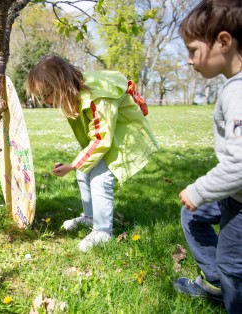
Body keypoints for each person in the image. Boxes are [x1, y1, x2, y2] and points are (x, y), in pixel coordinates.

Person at [26, 55, 159, 252]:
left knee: (100, 178)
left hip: (123, 136)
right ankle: (90, 217)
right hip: (107, 136)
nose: (45, 101)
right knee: (84, 172)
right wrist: (78, 165)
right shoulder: (76, 90)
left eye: (47, 95)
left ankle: (103, 231)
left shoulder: (98, 97)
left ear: (61, 85)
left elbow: (101, 138)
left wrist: (73, 164)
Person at [173, 1, 242, 313]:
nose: (189, 61)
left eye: (192, 50)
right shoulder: (233, 87)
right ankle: (214, 282)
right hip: (233, 194)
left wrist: (199, 190)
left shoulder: (238, 93)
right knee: (193, 215)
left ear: (223, 42)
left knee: (233, 264)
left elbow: (240, 164)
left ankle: (229, 292)